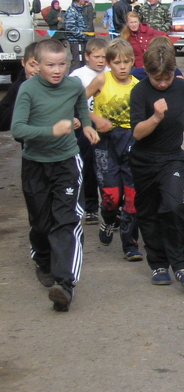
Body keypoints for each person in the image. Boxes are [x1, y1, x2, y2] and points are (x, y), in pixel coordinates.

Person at [11, 39, 100, 311]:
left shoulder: (73, 85)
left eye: (63, 64)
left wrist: (85, 125)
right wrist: (51, 130)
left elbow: (80, 104)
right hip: (35, 163)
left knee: (66, 220)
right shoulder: (27, 90)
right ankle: (42, 257)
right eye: (51, 65)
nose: (58, 70)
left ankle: (65, 284)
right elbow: (17, 130)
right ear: (36, 65)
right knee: (40, 221)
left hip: (66, 162)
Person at [130, 43, 184, 287]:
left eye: (167, 77)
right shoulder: (140, 92)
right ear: (147, 72)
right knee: (149, 212)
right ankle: (159, 264)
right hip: (144, 160)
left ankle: (182, 265)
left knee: (172, 206)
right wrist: (155, 117)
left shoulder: (182, 86)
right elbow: (138, 133)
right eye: (156, 79)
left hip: (172, 157)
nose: (162, 84)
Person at [85, 39, 142, 261]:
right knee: (111, 196)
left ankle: (130, 244)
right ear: (108, 63)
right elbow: (78, 100)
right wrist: (95, 118)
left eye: (127, 62)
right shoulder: (101, 79)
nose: (122, 67)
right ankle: (108, 218)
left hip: (130, 141)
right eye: (117, 62)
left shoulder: (137, 85)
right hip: (105, 142)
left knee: (131, 196)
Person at [69, 38, 109, 226]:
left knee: (107, 168)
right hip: (86, 127)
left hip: (108, 128)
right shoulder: (78, 76)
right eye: (96, 57)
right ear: (86, 57)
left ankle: (110, 208)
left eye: (104, 57)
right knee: (88, 168)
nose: (101, 61)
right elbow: (71, 102)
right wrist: (75, 118)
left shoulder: (112, 72)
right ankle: (91, 208)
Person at [0, 43, 38, 132]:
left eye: (40, 65)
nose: (36, 70)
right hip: (28, 141)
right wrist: (21, 102)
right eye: (32, 66)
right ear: (23, 62)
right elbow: (2, 121)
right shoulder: (17, 87)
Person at [64, 0, 89, 72]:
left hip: (82, 41)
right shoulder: (72, 11)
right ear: (79, 0)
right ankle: (73, 79)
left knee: (82, 62)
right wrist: (82, 35)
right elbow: (70, 27)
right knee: (77, 62)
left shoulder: (79, 10)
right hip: (76, 41)